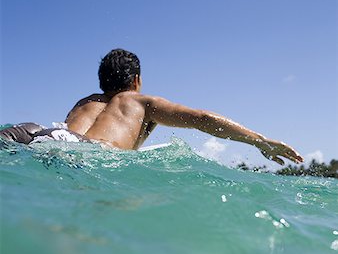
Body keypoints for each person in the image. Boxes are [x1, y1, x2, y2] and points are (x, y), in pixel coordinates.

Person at [1, 48, 303, 165]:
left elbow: (65, 138)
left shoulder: (85, 102)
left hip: (40, 133)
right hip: (90, 154)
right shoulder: (140, 102)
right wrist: (260, 140)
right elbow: (201, 118)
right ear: (136, 80)